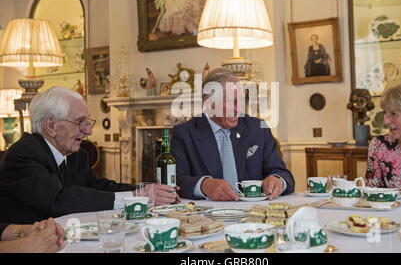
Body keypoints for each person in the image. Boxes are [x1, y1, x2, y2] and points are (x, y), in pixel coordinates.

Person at [0, 87, 179, 224]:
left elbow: (98, 187)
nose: (89, 130)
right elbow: (59, 200)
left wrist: (150, 193)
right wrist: (136, 196)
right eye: (80, 122)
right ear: (51, 126)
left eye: (88, 122)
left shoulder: (77, 155)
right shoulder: (24, 154)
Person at [172, 68, 295, 201]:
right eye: (232, 102)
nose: (239, 109)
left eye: (241, 101)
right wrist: (203, 185)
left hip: (253, 213)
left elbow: (282, 173)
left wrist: (278, 180)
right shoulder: (184, 134)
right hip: (209, 215)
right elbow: (176, 181)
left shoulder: (259, 129)